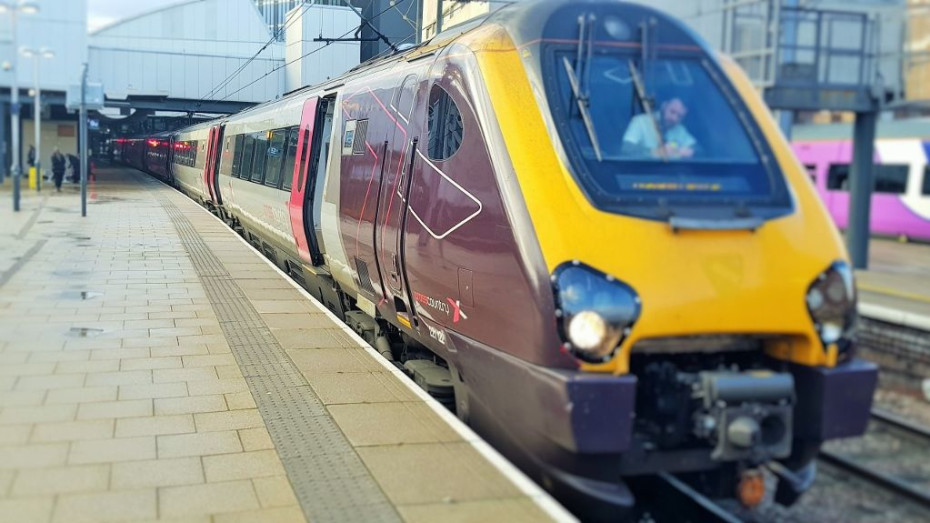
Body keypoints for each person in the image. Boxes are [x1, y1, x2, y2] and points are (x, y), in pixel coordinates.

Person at [621, 97, 697, 160]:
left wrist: (690, 152)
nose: (674, 118)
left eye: (679, 116)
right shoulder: (640, 121)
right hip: (640, 171)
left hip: (671, 172)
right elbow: (626, 149)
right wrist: (655, 152)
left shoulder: (679, 129)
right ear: (664, 106)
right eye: (672, 112)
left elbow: (698, 150)